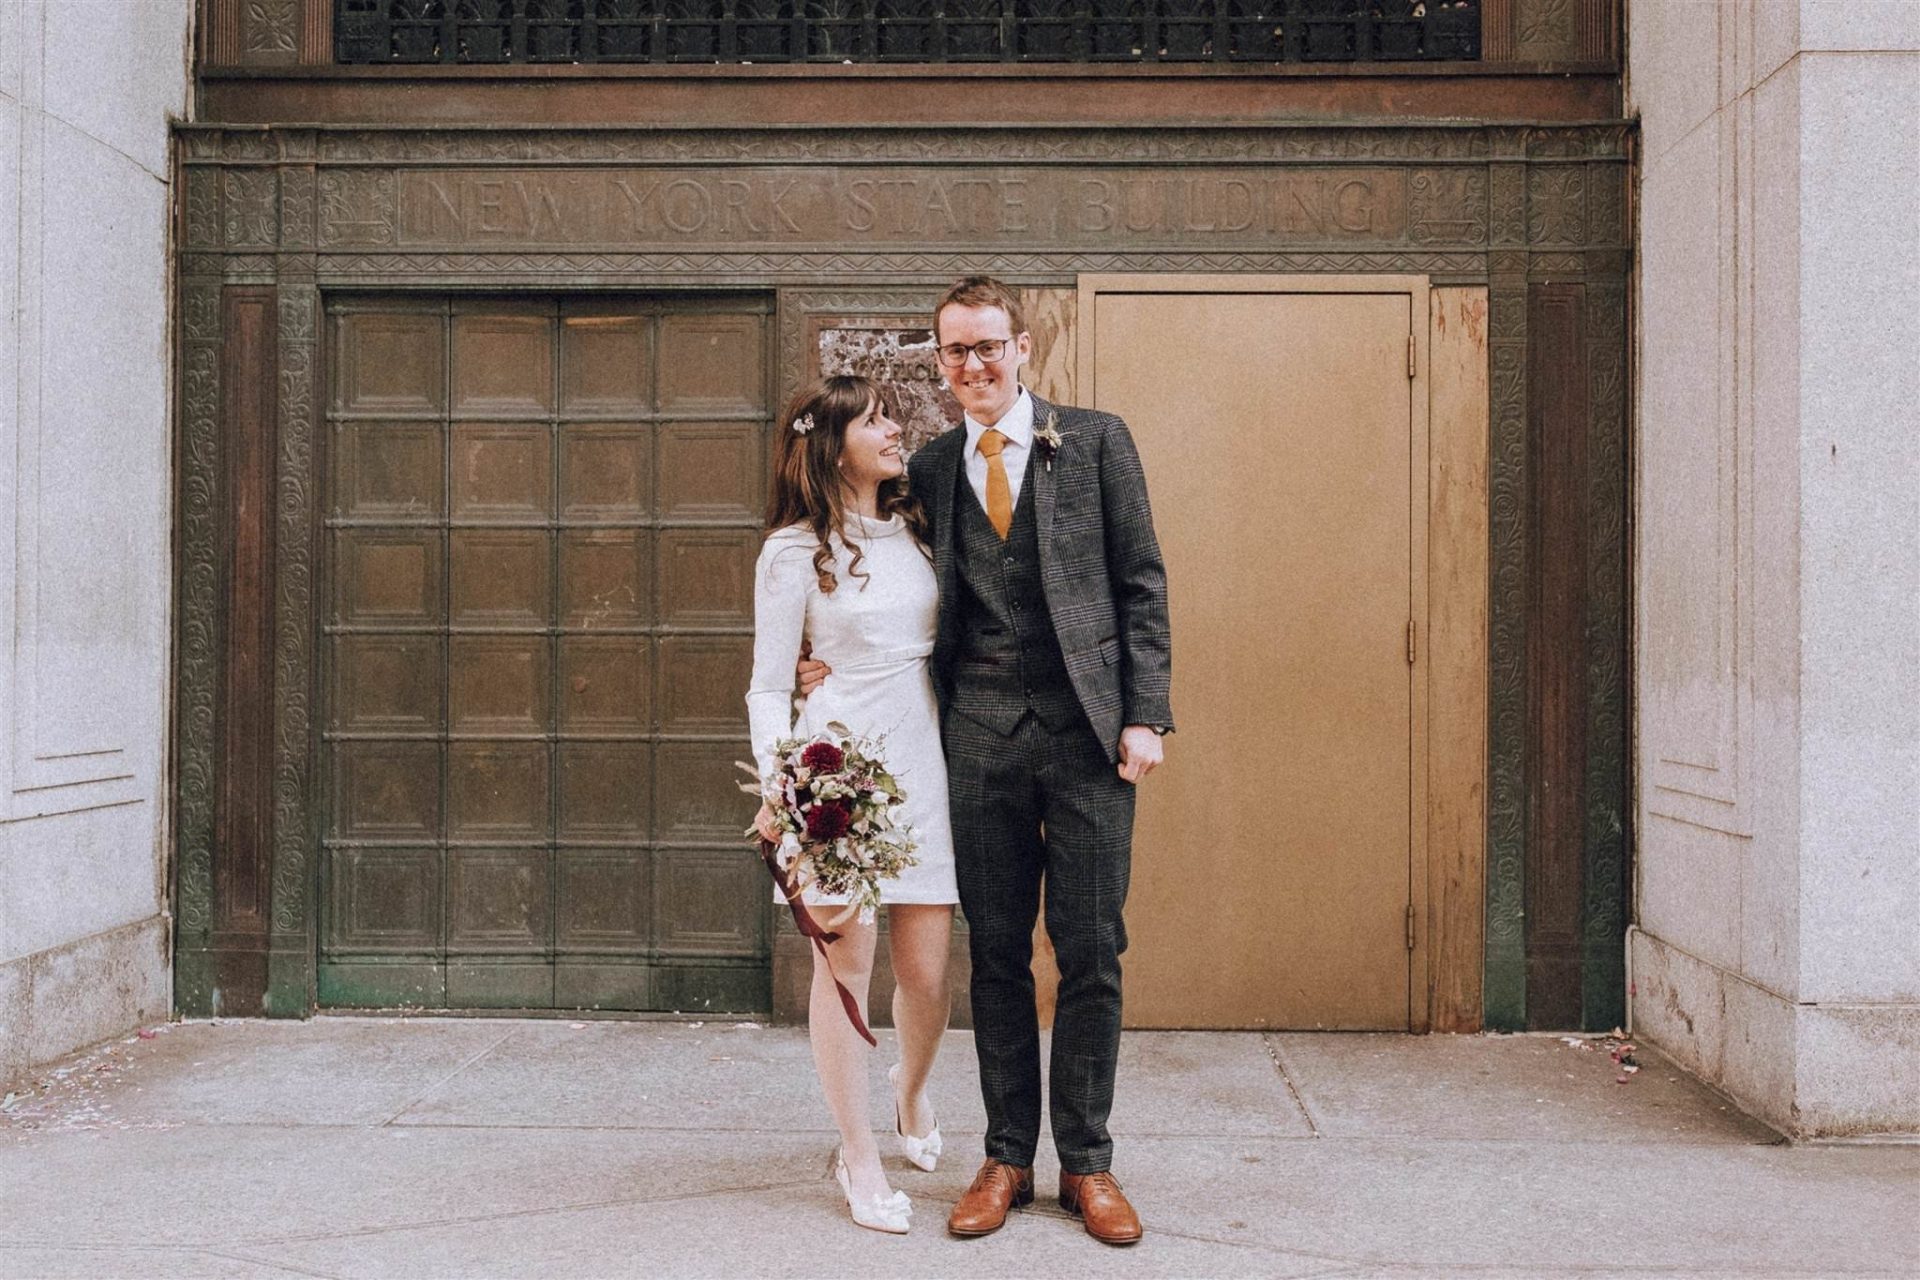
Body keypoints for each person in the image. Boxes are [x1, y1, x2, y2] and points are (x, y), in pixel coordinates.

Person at [799, 276, 1174, 1245]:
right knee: (998, 951)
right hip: (976, 740)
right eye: (956, 351)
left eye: (989, 346)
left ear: (1022, 347)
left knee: (1092, 947)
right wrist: (815, 648)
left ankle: (1086, 1160)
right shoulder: (924, 468)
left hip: (1092, 739)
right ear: (940, 362)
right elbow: (861, 556)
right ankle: (1007, 1151)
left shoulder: (1094, 441)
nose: (974, 365)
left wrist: (1146, 715)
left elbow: (1141, 582)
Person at [745, 375, 958, 1235]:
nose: (894, 428)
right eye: (875, 420)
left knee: (929, 974)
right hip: (839, 772)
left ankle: (910, 1093)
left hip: (925, 760)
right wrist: (781, 786)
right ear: (832, 444)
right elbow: (767, 684)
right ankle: (857, 1155)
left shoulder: (918, 529)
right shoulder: (792, 552)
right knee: (845, 966)